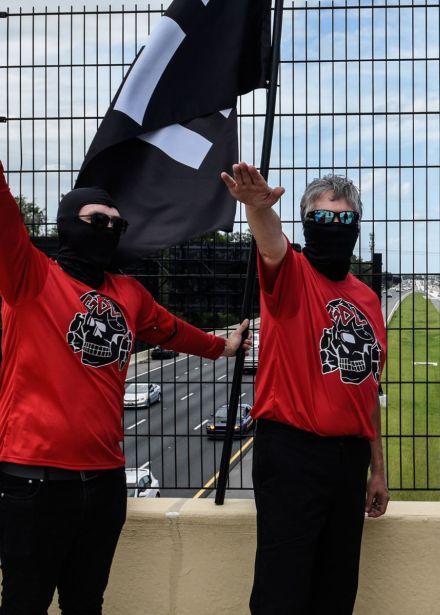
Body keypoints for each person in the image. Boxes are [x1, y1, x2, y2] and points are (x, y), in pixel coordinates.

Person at [0, 159, 250, 614]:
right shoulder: (30, 279)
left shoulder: (129, 295)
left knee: (87, 603)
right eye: (97, 220)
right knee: (23, 604)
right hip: (34, 480)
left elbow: (173, 331)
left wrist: (224, 348)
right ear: (66, 225)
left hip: (104, 482)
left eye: (117, 223)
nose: (109, 228)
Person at [220, 163, 388, 615]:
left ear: (357, 226)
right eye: (321, 218)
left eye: (344, 219)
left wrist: (377, 469)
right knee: (283, 591)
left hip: (348, 458)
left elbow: (366, 390)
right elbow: (271, 243)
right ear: (305, 224)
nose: (334, 227)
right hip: (293, 455)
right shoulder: (291, 275)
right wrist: (257, 208)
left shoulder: (368, 300)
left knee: (336, 590)